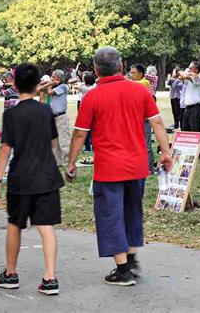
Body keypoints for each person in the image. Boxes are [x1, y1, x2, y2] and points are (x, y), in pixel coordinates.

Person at [66, 47, 173, 286]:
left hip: (109, 168)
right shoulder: (140, 91)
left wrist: (71, 163)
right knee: (132, 210)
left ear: (95, 70)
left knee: (110, 214)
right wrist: (166, 152)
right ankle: (132, 257)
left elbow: (79, 135)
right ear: (122, 66)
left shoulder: (92, 97)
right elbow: (157, 122)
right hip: (137, 164)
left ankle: (122, 269)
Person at [0, 63, 64, 295]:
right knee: (46, 227)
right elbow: (53, 142)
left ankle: (10, 273)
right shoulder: (45, 110)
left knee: (15, 225)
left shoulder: (11, 113)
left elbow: (5, 149)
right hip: (47, 176)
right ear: (36, 85)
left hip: (21, 178)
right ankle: (50, 277)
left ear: (14, 83)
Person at [130, 63, 156, 172]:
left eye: (134, 73)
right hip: (137, 117)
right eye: (130, 73)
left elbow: (132, 85)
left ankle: (149, 168)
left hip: (144, 118)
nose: (131, 75)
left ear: (141, 74)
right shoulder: (135, 83)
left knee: (146, 144)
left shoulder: (144, 82)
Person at [178, 61, 200, 158]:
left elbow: (186, 75)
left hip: (196, 108)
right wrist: (186, 73)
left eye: (191, 68)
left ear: (196, 70)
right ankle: (189, 151)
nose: (188, 69)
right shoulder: (189, 77)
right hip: (187, 108)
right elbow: (179, 76)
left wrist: (187, 73)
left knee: (196, 131)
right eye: (188, 67)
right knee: (186, 129)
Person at [47, 70, 70, 166]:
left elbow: (50, 92)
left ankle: (66, 160)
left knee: (63, 140)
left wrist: (50, 84)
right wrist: (51, 83)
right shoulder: (54, 85)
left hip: (61, 116)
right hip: (53, 116)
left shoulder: (63, 86)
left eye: (53, 76)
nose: (51, 78)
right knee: (55, 141)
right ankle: (57, 161)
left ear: (58, 78)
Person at [77, 71, 96, 152]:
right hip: (84, 107)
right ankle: (88, 147)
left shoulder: (91, 87)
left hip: (90, 109)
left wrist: (79, 85)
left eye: (84, 78)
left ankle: (92, 146)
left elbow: (78, 86)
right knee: (85, 129)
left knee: (90, 129)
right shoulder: (85, 86)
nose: (82, 79)